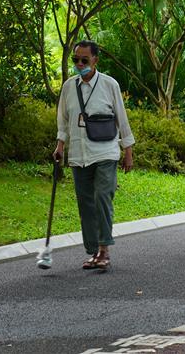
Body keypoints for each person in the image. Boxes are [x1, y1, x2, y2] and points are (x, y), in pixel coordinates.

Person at [54, 40, 135, 270]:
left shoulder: (110, 85)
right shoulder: (69, 87)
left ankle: (104, 250)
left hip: (106, 151)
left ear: (95, 60)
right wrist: (60, 145)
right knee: (85, 203)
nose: (79, 64)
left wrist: (128, 151)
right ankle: (93, 250)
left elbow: (121, 117)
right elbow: (63, 119)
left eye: (84, 60)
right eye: (76, 60)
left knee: (102, 197)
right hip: (79, 153)